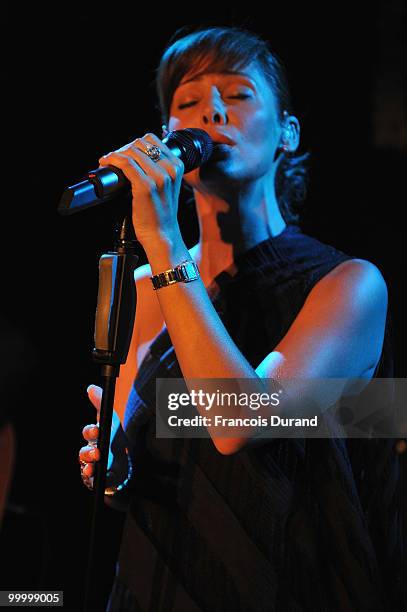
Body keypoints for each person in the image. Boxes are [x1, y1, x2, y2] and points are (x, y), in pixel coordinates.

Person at [78, 25, 406, 611]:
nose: (211, 111)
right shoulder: (146, 288)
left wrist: (164, 243)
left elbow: (238, 424)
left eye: (237, 93)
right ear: (166, 139)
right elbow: (141, 483)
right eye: (187, 102)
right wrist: (118, 471)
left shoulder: (349, 286)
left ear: (288, 132)